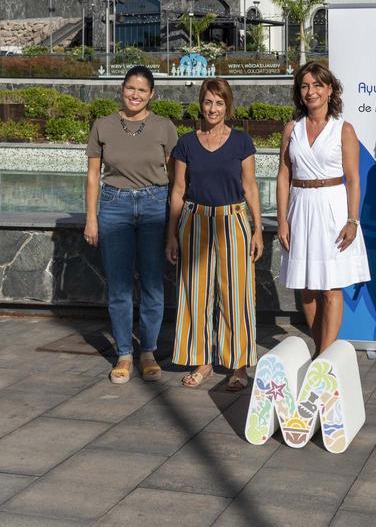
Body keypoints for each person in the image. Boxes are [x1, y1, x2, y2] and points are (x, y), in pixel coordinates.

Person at [166, 79, 263, 391]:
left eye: (219, 103)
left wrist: (258, 229)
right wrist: (171, 234)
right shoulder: (186, 143)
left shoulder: (241, 142)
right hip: (195, 222)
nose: (213, 108)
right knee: (195, 293)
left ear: (228, 107)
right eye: (208, 102)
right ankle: (202, 361)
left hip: (233, 222)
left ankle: (237, 365)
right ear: (200, 103)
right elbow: (178, 191)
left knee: (236, 295)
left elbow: (250, 187)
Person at [84, 65, 179, 384]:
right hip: (114, 205)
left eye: (142, 90)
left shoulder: (164, 127)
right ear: (121, 89)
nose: (135, 94)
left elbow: (176, 177)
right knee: (119, 284)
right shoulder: (102, 126)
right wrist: (91, 218)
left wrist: (174, 225)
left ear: (152, 94)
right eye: (130, 88)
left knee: (153, 281)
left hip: (154, 206)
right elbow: (93, 176)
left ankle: (148, 350)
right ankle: (124, 353)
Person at [276, 62, 370, 354]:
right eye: (305, 86)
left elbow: (354, 179)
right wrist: (282, 220)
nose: (311, 91)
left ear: (330, 90)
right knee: (305, 288)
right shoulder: (291, 129)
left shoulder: (344, 129)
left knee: (330, 289)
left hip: (332, 208)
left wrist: (352, 220)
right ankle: (321, 350)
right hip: (300, 208)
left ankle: (324, 358)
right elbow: (283, 176)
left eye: (317, 85)